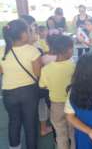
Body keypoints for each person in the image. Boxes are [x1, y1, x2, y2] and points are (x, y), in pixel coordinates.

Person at [0, 19, 42, 149]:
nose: (30, 33)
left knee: (14, 122)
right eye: (29, 31)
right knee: (30, 125)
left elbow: (2, 71)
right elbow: (37, 74)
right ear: (23, 34)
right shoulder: (32, 51)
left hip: (8, 93)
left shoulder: (2, 50)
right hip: (28, 93)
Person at [39, 35, 75, 149]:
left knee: (60, 134)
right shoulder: (73, 66)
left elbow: (42, 86)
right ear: (68, 50)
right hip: (72, 105)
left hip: (56, 105)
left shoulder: (46, 69)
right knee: (73, 133)